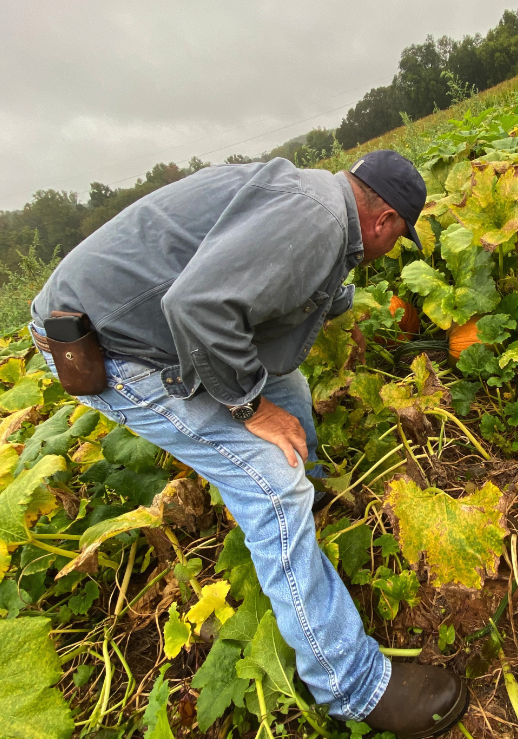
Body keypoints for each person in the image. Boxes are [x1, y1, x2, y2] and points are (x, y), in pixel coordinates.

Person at [30, 150, 467, 738]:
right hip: (111, 347)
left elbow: (268, 273)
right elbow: (196, 307)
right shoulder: (318, 221)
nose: (393, 248)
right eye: (398, 237)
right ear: (384, 220)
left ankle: (312, 515)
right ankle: (351, 685)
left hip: (142, 320)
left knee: (288, 386)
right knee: (271, 484)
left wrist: (330, 311)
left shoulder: (319, 201)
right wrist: (248, 407)